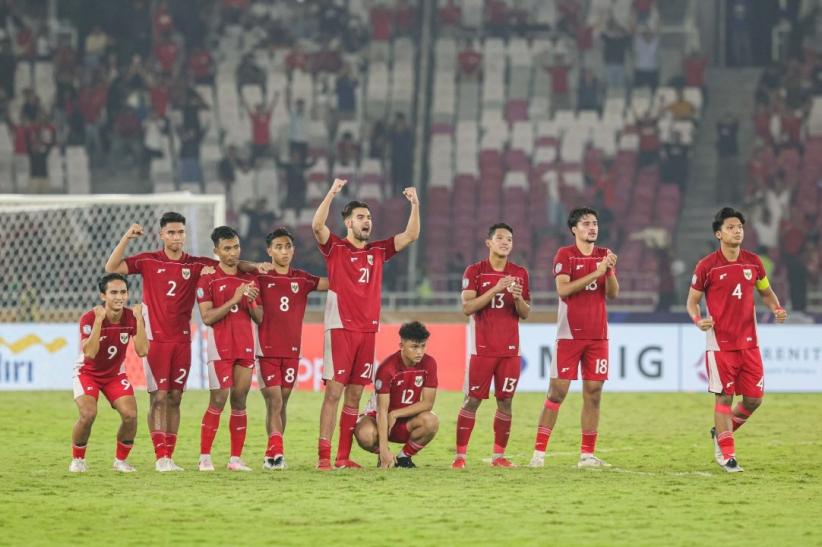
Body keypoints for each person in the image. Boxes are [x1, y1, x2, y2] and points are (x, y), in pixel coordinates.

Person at [104, 212, 266, 472]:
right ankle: (160, 457)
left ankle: (170, 455)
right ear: (162, 235)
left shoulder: (197, 264)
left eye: (180, 232)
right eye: (171, 232)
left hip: (182, 339)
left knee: (176, 397)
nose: (176, 237)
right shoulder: (148, 260)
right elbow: (111, 267)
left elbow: (232, 262)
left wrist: (257, 266)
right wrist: (126, 237)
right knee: (158, 397)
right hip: (156, 339)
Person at [312, 178, 420, 470]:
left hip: (368, 330)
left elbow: (410, 235)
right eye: (360, 217)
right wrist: (332, 192)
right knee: (334, 392)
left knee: (356, 394)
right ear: (348, 222)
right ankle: (324, 457)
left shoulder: (378, 251)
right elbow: (317, 225)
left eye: (369, 217)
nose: (367, 221)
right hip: (340, 327)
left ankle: (342, 457)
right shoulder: (335, 248)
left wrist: (415, 204)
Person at [686, 207, 787, 472]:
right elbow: (692, 302)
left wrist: (776, 308)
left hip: (749, 343)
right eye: (730, 227)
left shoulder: (753, 262)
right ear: (718, 234)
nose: (737, 231)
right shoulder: (707, 265)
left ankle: (720, 432)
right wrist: (698, 320)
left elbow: (766, 292)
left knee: (754, 400)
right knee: (724, 398)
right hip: (721, 345)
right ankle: (727, 455)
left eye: (740, 227)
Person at [529, 207, 619, 469]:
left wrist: (609, 271)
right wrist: (596, 272)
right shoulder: (565, 254)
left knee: (594, 393)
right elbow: (563, 290)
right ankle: (538, 454)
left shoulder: (604, 255)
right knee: (557, 392)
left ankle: (587, 455)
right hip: (569, 335)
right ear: (574, 229)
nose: (592, 227)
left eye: (595, 223)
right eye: (586, 223)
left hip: (598, 336)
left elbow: (612, 294)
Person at [452, 223, 531, 469]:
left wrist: (518, 298)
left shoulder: (520, 273)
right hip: (482, 350)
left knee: (506, 401)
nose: (505, 242)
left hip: (510, 351)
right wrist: (496, 289)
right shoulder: (475, 271)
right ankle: (460, 457)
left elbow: (525, 313)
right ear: (489, 243)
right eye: (500, 238)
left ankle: (499, 457)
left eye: (509, 239)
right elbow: (467, 308)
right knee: (472, 401)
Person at [256, 228, 329, 470]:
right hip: (266, 351)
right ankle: (277, 453)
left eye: (288, 246)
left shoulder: (301, 279)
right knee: (275, 400)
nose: (284, 251)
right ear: (269, 251)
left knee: (281, 403)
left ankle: (272, 452)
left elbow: (329, 284)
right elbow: (236, 268)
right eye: (278, 247)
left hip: (292, 351)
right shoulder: (259, 277)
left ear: (293, 250)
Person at [196, 226, 264, 472]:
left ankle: (235, 459)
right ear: (216, 251)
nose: (233, 252)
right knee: (218, 399)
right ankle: (205, 457)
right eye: (227, 248)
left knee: (240, 400)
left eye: (236, 247)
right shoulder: (208, 278)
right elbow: (207, 317)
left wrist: (252, 301)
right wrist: (234, 300)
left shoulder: (250, 279)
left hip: (244, 347)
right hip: (220, 348)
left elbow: (260, 318)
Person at [70, 273, 148, 473]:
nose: (119, 297)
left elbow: (142, 351)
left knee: (130, 415)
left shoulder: (131, 317)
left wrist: (139, 320)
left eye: (123, 292)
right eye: (114, 292)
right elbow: (90, 352)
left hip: (114, 375)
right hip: (87, 373)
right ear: (103, 296)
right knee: (88, 414)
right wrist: (98, 322)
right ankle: (78, 460)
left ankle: (120, 461)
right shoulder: (89, 318)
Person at [355, 321, 439, 468]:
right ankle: (385, 455)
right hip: (378, 419)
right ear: (401, 346)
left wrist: (395, 414)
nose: (419, 352)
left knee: (431, 421)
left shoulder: (429, 363)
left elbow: (427, 403)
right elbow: (381, 411)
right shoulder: (387, 368)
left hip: (406, 421)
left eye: (423, 346)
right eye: (414, 347)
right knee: (364, 434)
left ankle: (403, 458)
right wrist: (383, 450)